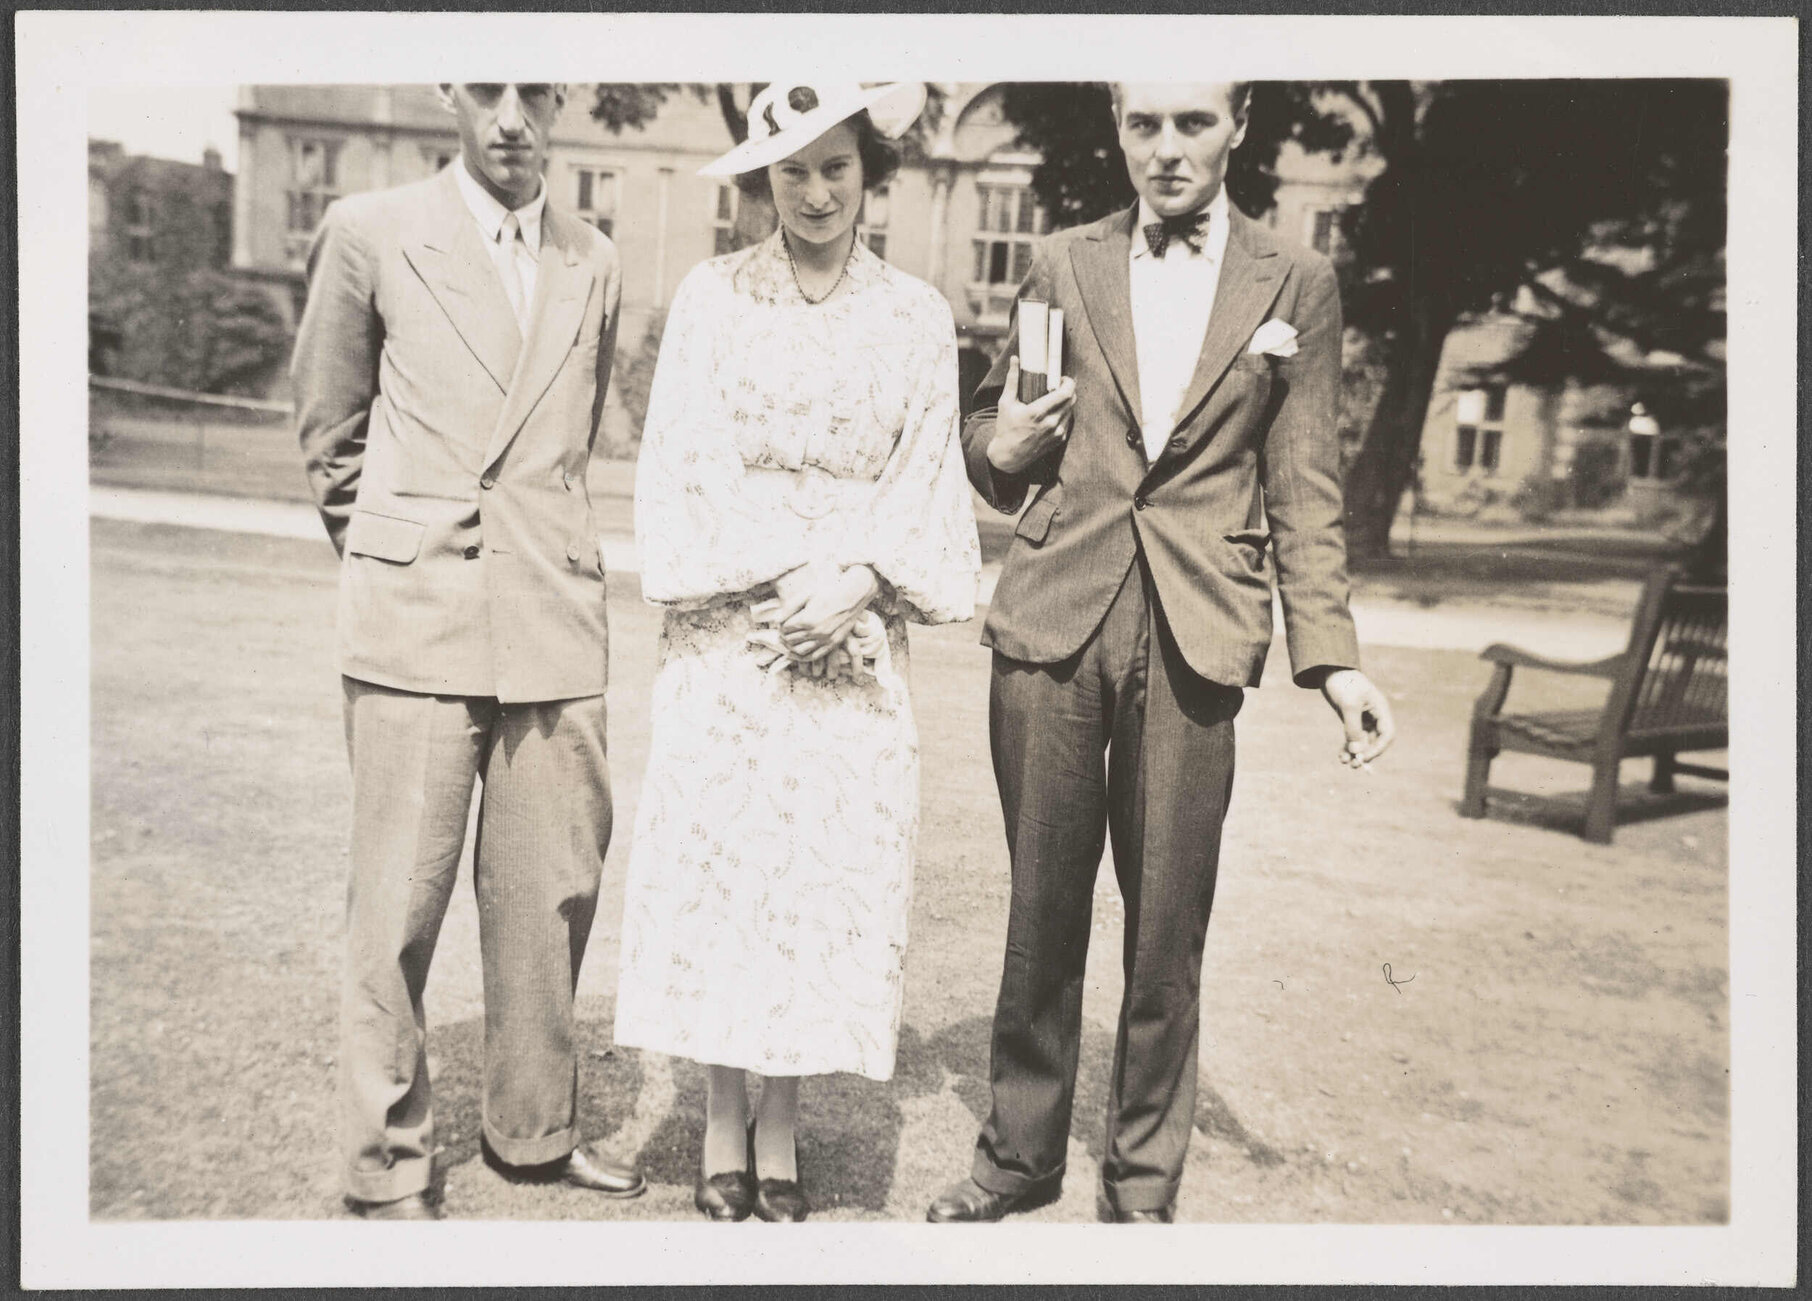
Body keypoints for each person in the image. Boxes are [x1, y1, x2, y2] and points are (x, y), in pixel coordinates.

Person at [926, 82, 1397, 1225]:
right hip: (1054, 616)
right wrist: (1004, 440)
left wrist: (1331, 657)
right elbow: (994, 437)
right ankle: (1018, 1154)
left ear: (1239, 125)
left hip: (1196, 630)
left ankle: (1141, 1181)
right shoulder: (1062, 261)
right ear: (1119, 132)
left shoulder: (1297, 282)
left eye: (1192, 122)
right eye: (1145, 124)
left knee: (1166, 923)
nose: (1168, 148)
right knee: (1041, 908)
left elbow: (1305, 484)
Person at [613, 82, 981, 1223]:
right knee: (728, 875)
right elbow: (685, 458)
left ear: (871, 173)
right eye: (791, 172)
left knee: (815, 882)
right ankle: (726, 1119)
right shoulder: (715, 296)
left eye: (835, 168)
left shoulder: (917, 314)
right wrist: (789, 580)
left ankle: (786, 1121)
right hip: (736, 638)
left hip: (853, 642)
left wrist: (859, 581)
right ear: (762, 182)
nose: (815, 193)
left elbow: (928, 475)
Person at [293, 82, 643, 1220]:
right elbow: (330, 435)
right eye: (486, 86)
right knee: (395, 905)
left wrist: (524, 555)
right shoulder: (371, 231)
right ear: (451, 90)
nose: (510, 116)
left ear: (561, 101)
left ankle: (533, 1132)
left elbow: (569, 444)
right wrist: (403, 551)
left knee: (550, 899)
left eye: (534, 92)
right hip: (415, 622)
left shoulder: (594, 255)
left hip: (551, 617)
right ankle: (388, 1160)